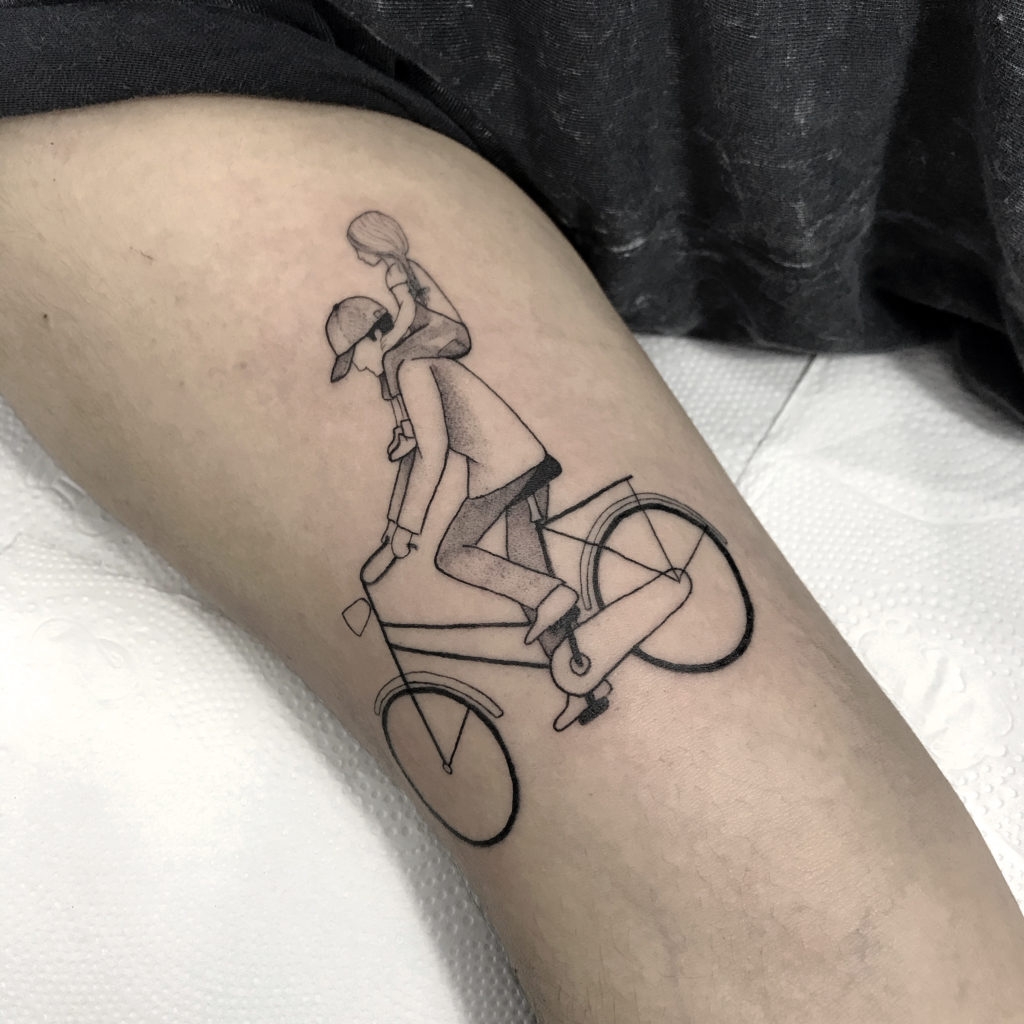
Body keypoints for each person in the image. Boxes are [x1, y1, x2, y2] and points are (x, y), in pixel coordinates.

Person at [2, 4, 1023, 1024]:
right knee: (523, 564)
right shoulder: (404, 349)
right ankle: (578, 657)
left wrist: (398, 539)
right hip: (501, 409)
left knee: (461, 555)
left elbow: (434, 454)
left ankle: (561, 619)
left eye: (360, 348)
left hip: (501, 455)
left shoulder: (412, 357)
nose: (364, 358)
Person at [346, 210, 471, 461]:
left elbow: (408, 308)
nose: (359, 256)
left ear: (374, 243)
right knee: (392, 358)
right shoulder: (405, 267)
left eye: (359, 249)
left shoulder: (396, 272)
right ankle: (406, 426)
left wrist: (395, 336)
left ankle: (408, 429)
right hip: (443, 331)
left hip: (448, 332)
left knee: (392, 359)